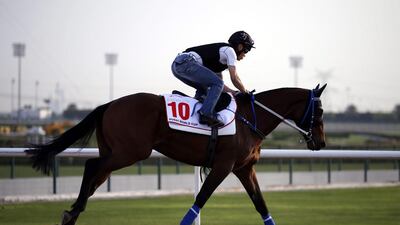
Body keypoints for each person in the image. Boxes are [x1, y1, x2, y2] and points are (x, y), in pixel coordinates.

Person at [171, 31, 255, 127]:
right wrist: (245, 92)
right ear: (240, 46)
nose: (244, 55)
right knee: (215, 84)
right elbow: (234, 78)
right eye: (246, 50)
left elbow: (220, 86)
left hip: (177, 66)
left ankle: (188, 103)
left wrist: (235, 92)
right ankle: (205, 114)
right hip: (186, 63)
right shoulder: (230, 51)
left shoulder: (218, 61)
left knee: (209, 88)